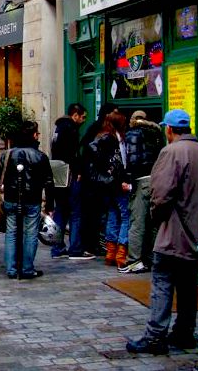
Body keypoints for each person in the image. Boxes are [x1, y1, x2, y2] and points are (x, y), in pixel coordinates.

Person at [126, 109, 198, 355]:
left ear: (170, 129)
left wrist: (156, 217)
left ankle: (155, 336)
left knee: (163, 283)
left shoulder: (171, 152)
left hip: (173, 232)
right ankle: (185, 332)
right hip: (197, 232)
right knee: (188, 286)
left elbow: (161, 194)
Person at [0, 120, 54, 280]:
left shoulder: (7, 154)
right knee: (30, 234)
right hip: (32, 199)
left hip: (11, 198)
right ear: (32, 135)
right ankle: (27, 268)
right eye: (37, 133)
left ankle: (11, 269)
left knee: (11, 232)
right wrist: (50, 204)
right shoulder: (40, 156)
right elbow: (49, 182)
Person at [119, 110, 165, 273]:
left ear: (133, 120)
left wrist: (127, 180)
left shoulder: (133, 134)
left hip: (140, 181)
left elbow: (132, 160)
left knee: (137, 222)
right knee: (153, 222)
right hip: (156, 179)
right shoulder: (156, 133)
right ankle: (153, 257)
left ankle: (134, 260)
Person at [49, 103, 94, 259]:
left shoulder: (57, 127)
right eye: (82, 117)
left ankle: (57, 247)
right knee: (75, 212)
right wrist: (79, 171)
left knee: (60, 211)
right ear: (75, 114)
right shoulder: (71, 128)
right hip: (69, 173)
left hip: (58, 172)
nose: (83, 120)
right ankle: (75, 249)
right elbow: (72, 153)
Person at [88, 111, 130, 267]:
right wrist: (115, 176)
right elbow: (116, 162)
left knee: (113, 215)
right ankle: (120, 253)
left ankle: (110, 253)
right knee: (125, 216)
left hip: (110, 184)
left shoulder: (105, 137)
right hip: (116, 183)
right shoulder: (111, 139)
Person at [80, 102, 119, 256]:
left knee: (98, 213)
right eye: (114, 112)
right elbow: (88, 149)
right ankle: (91, 244)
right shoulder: (99, 130)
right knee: (93, 213)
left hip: (96, 178)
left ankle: (95, 243)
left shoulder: (103, 129)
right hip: (95, 179)